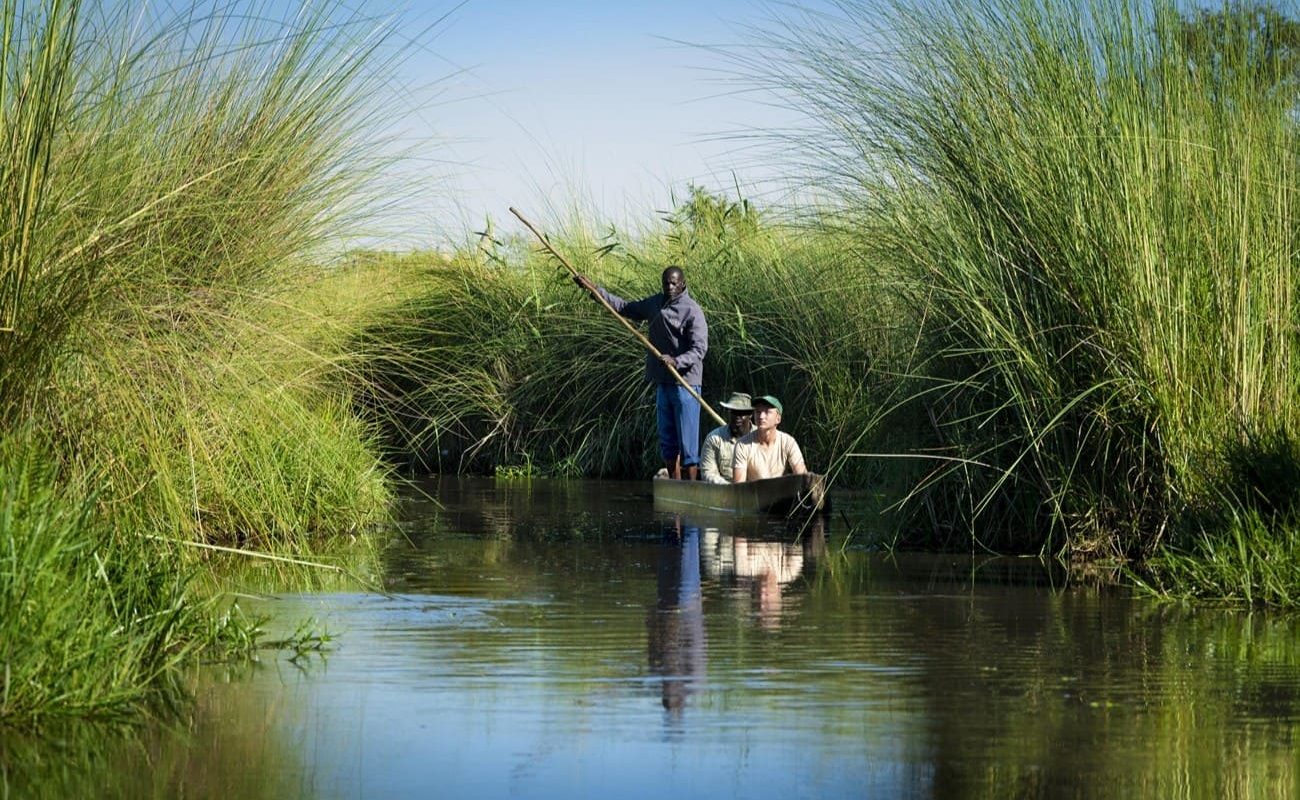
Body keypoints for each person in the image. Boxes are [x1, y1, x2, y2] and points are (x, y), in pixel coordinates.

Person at [574, 266, 708, 480]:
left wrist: (676, 361)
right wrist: (595, 290)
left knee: (688, 442)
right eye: (666, 283)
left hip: (686, 384)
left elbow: (699, 349)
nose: (670, 287)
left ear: (683, 283)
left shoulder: (692, 310)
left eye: (674, 283)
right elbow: (625, 307)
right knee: (668, 440)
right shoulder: (654, 304)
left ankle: (691, 486)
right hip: (663, 382)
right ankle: (674, 485)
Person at [732, 395, 807, 482]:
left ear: (778, 418)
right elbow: (739, 486)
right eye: (758, 412)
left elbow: (802, 476)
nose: (761, 416)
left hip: (783, 493)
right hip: (755, 494)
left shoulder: (788, 442)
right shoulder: (743, 445)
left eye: (767, 411)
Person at [699, 391, 754, 484]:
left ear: (750, 414)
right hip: (725, 492)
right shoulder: (714, 439)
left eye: (741, 413)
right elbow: (708, 473)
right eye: (734, 412)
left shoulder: (760, 437)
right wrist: (730, 488)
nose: (737, 417)